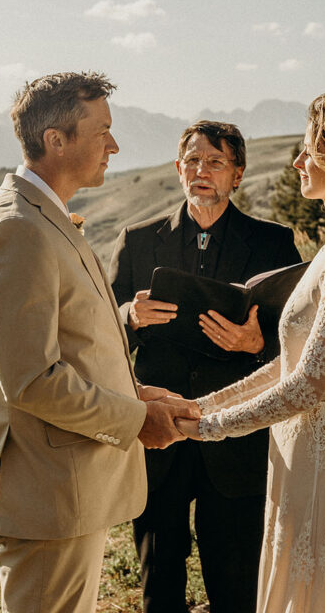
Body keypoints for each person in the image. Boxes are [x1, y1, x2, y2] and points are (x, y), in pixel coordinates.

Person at [0, 72, 199, 613]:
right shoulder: (17, 228)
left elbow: (69, 345)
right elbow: (31, 379)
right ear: (56, 140)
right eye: (102, 131)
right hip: (45, 495)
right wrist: (134, 419)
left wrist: (136, 392)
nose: (114, 145)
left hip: (64, 492)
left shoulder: (45, 218)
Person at [174, 93, 325, 612]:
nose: (298, 163)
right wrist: (203, 406)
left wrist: (205, 429)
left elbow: (306, 387)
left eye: (308, 152)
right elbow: (291, 363)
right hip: (304, 457)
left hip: (324, 465)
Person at [108, 121, 301, 613]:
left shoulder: (274, 245)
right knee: (159, 587)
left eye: (215, 162)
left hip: (236, 438)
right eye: (192, 161)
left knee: (237, 587)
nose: (201, 171)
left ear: (237, 175)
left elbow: (299, 347)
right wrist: (128, 316)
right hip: (158, 435)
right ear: (178, 169)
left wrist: (257, 343)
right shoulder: (136, 242)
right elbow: (97, 341)